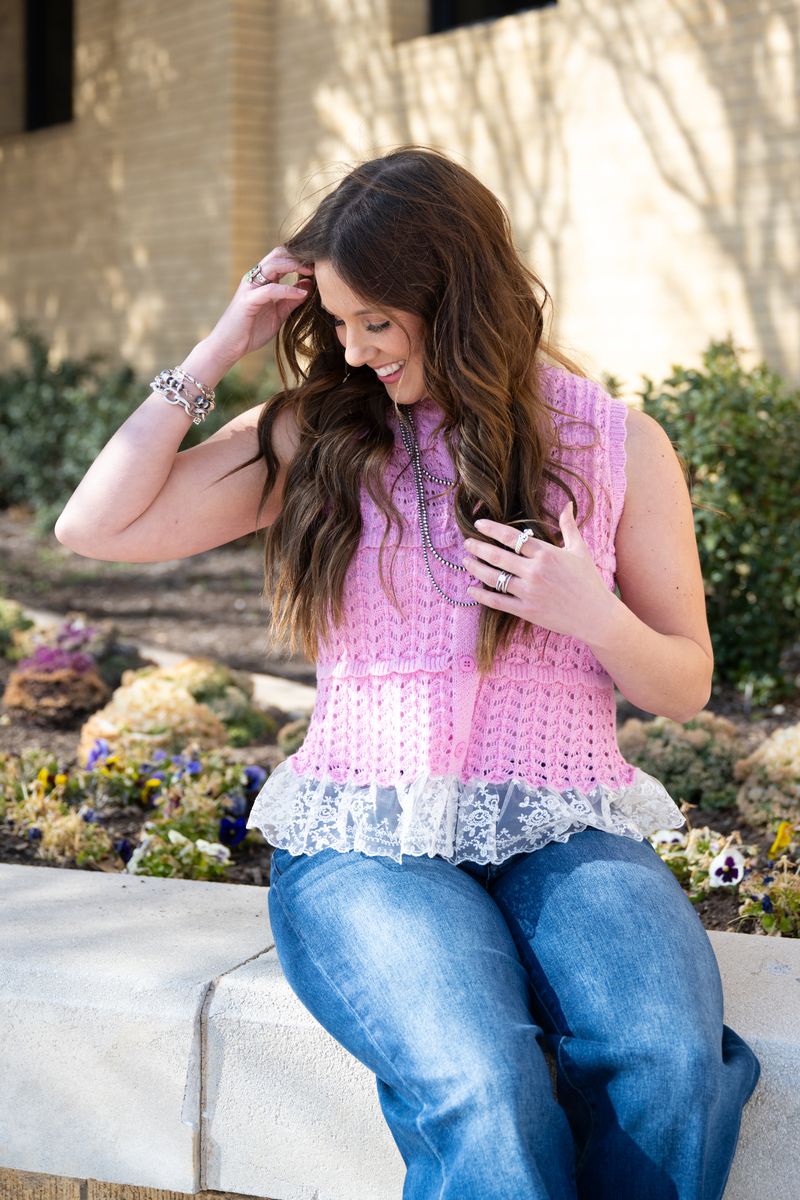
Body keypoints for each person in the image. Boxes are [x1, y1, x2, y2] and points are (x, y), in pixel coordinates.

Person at [55, 144, 760, 1200]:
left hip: (561, 827)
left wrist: (592, 615)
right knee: (483, 1083)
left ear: (456, 299)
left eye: (375, 321)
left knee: (667, 1059)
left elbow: (683, 684)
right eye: (337, 321)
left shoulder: (618, 444)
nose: (351, 348)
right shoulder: (321, 435)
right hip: (365, 840)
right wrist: (220, 345)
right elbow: (93, 527)